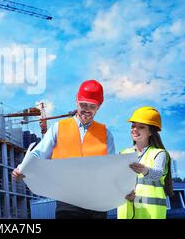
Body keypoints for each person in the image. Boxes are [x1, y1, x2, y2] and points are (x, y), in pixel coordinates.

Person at [12, 79, 115, 219]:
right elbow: (38, 153)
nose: (86, 110)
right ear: (76, 101)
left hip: (96, 203)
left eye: (92, 106)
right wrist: (22, 168)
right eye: (83, 104)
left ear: (99, 106)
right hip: (68, 201)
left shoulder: (106, 134)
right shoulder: (59, 128)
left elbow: (111, 168)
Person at [117, 106, 173, 219]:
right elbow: (116, 181)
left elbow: (158, 174)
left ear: (151, 132)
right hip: (126, 211)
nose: (134, 129)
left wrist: (144, 170)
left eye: (141, 127)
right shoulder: (123, 153)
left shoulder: (159, 153)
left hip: (151, 213)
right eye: (133, 126)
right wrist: (123, 193)